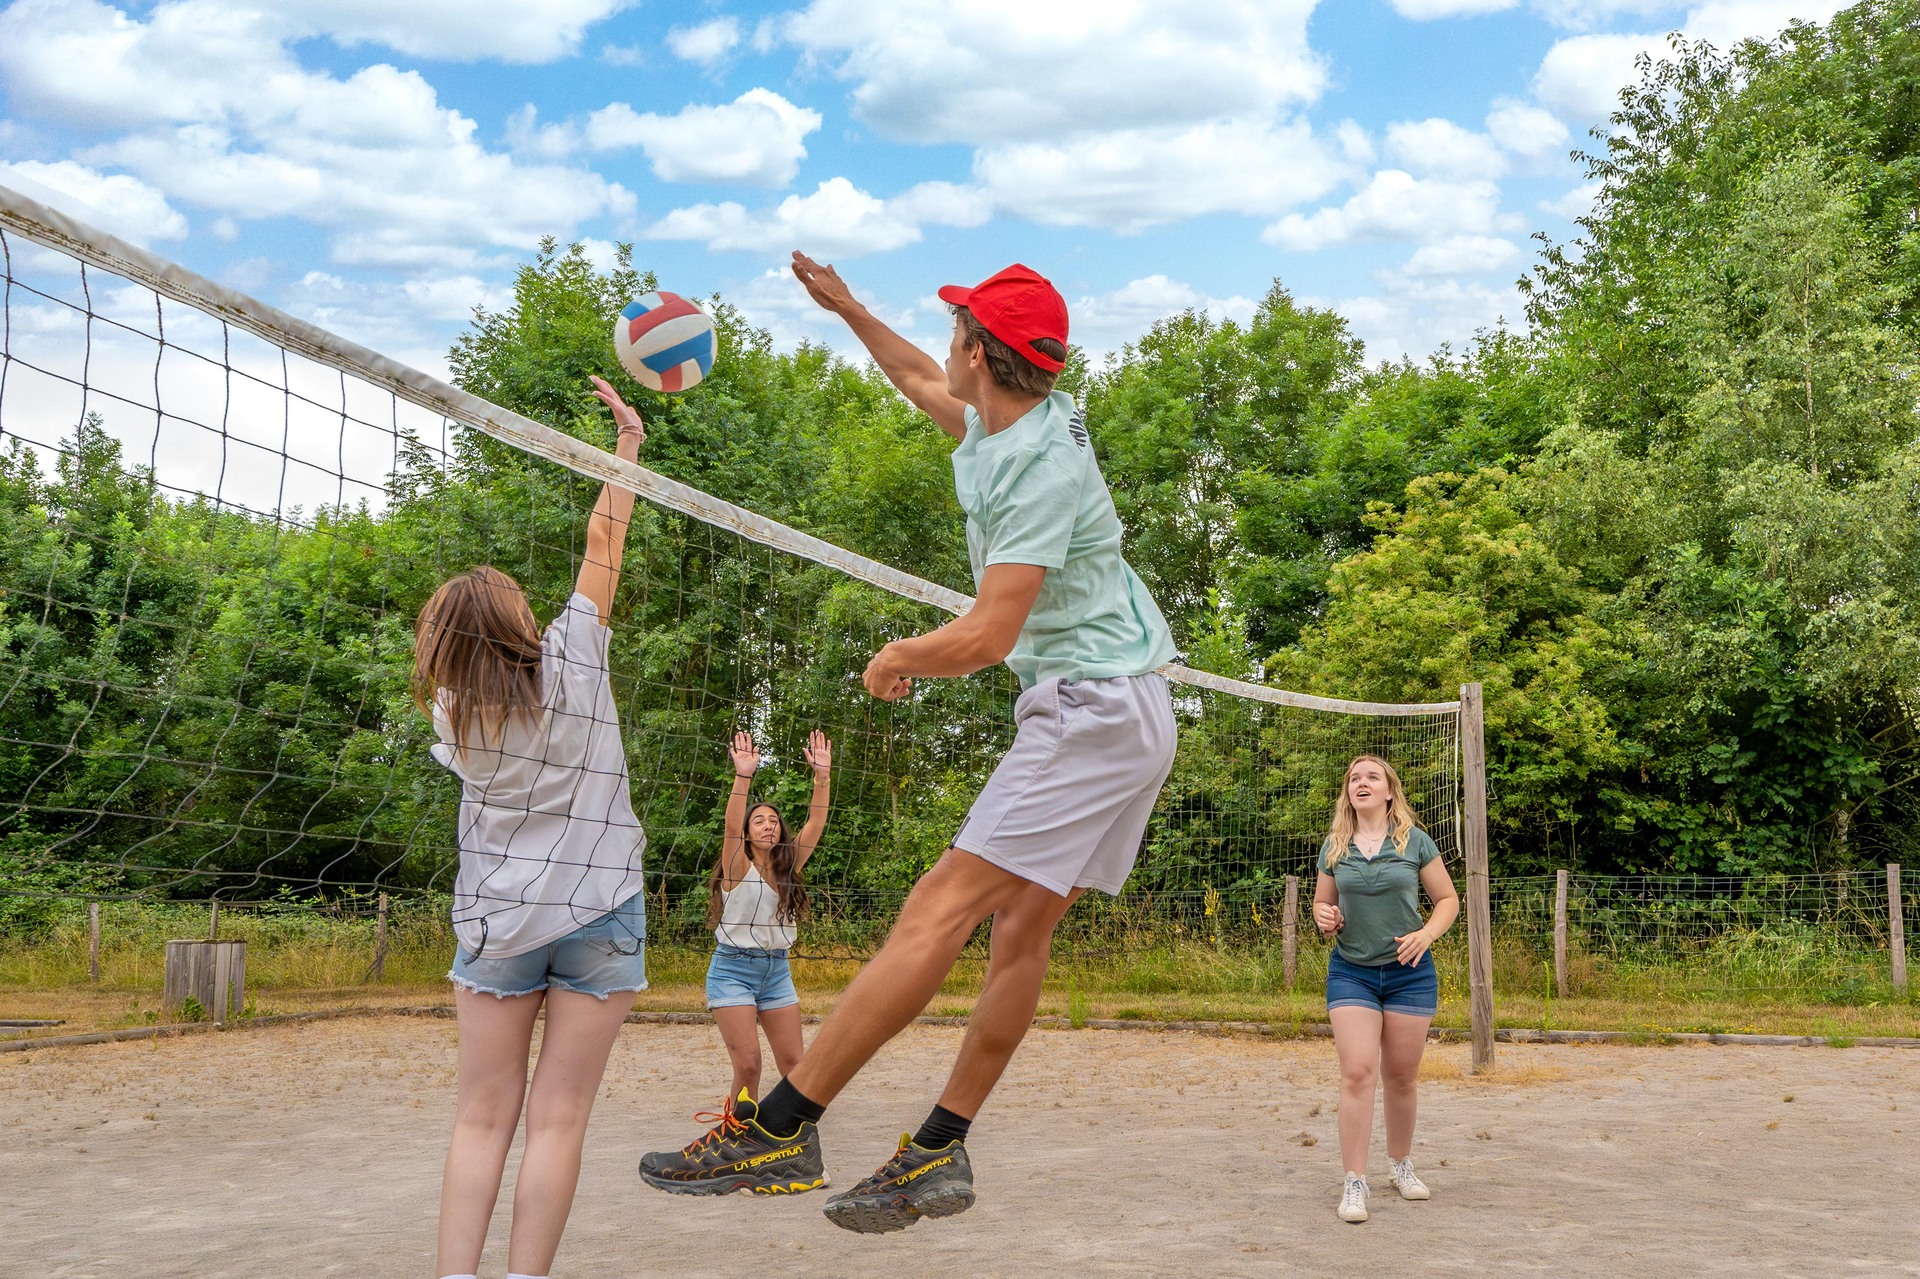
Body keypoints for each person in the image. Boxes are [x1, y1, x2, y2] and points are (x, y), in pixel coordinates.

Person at [639, 255, 1178, 1235]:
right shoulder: (1006, 423)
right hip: (1125, 709)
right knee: (1020, 930)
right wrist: (846, 307)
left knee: (939, 905)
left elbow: (987, 636)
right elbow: (914, 379)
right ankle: (936, 1150)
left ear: (979, 349)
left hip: (1092, 712)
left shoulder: (1041, 472)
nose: (943, 347)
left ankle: (780, 1126)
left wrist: (898, 656)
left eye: (955, 329)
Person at [420, 375, 650, 1279]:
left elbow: (468, 664)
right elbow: (605, 537)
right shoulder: (576, 654)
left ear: (442, 647)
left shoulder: (454, 715)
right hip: (600, 914)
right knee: (558, 1119)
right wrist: (624, 445)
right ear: (521, 620)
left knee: (482, 1115)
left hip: (500, 923)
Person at [1312, 754, 1460, 1224]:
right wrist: (1324, 918)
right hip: (1351, 972)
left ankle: (1400, 1166)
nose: (1362, 782)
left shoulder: (1414, 841)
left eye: (1372, 776)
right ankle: (1354, 1181)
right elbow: (1323, 906)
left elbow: (1447, 899)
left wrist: (1427, 934)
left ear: (1389, 791)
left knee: (1400, 1077)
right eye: (1354, 777)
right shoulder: (1335, 847)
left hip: (1409, 972)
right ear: (1348, 793)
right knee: (1357, 1073)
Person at [702, 729, 832, 1103]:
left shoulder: (788, 866)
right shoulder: (736, 865)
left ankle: (795, 1133)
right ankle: (738, 1135)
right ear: (747, 832)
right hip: (732, 970)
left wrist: (821, 777)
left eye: (773, 820)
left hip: (777, 971)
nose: (768, 824)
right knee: (749, 1066)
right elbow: (729, 825)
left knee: (796, 1064)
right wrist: (743, 776)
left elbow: (817, 824)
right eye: (759, 820)